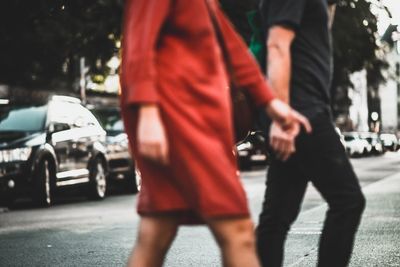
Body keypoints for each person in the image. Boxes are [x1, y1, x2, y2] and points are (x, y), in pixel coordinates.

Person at [119, 0, 310, 266]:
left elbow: (233, 50)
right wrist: (148, 113)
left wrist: (271, 103)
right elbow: (139, 44)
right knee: (237, 231)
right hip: (179, 119)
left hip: (190, 118)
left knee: (156, 233)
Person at [256, 0, 366, 266]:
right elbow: (277, 45)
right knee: (348, 201)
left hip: (300, 111)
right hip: (301, 114)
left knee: (276, 219)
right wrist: (281, 118)